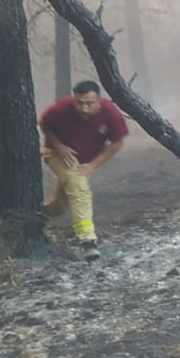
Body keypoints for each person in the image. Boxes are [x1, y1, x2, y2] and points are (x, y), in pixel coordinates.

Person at [39, 80, 129, 260]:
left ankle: (37, 215)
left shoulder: (111, 113)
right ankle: (87, 241)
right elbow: (43, 123)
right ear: (74, 100)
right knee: (79, 187)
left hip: (85, 161)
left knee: (61, 204)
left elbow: (117, 142)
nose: (84, 109)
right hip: (57, 154)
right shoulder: (61, 109)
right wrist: (59, 146)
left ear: (99, 101)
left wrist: (93, 165)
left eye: (89, 103)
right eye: (79, 103)